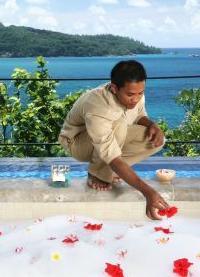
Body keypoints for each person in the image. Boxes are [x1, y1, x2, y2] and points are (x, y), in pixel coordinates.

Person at [58, 60, 171, 220]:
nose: (136, 99)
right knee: (118, 124)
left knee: (155, 140)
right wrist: (148, 192)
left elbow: (139, 115)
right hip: (76, 142)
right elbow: (110, 153)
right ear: (114, 88)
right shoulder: (98, 106)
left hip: (109, 137)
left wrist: (152, 124)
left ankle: (110, 171)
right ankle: (96, 173)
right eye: (130, 95)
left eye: (141, 93)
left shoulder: (135, 92)